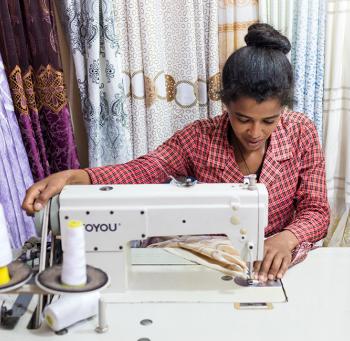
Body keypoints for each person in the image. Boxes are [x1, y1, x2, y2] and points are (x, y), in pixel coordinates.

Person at [22, 23, 330, 282]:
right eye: (243, 119)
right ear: (227, 105)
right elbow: (145, 169)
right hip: (212, 262)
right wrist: (79, 177)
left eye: (269, 121)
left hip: (281, 261)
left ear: (283, 110)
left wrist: (286, 238)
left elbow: (316, 210)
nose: (255, 133)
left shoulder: (301, 132)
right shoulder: (198, 139)